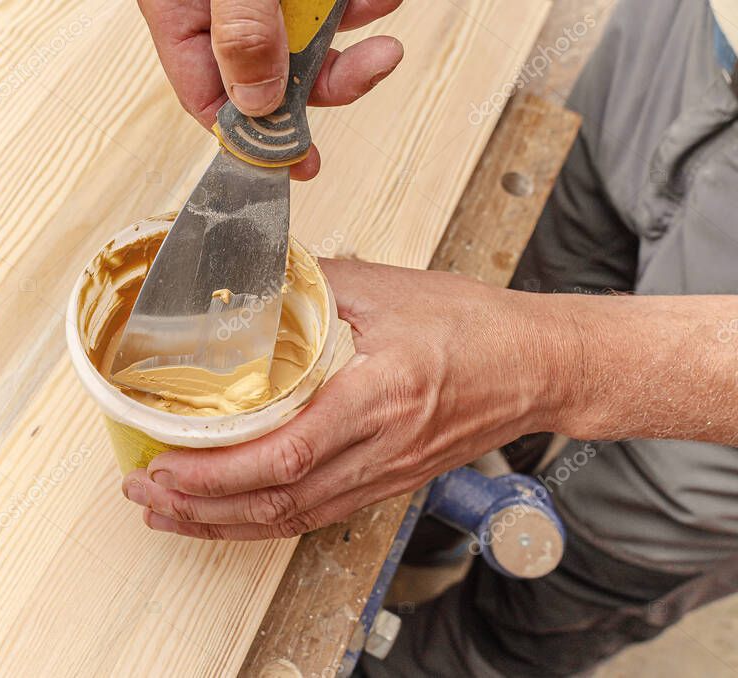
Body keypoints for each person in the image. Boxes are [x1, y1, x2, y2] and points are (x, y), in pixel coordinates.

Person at [125, 0, 738, 674]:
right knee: (541, 278)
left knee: (603, 557)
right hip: (694, 32)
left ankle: (472, 648)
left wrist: (560, 362)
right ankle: (435, 526)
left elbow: (547, 357)